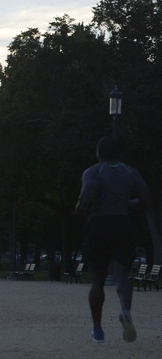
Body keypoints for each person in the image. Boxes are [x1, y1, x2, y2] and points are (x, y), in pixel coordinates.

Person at [74, 136, 155, 344]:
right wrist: (128, 202)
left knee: (97, 281)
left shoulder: (93, 171)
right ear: (118, 153)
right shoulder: (130, 172)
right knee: (121, 275)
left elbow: (88, 194)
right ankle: (126, 311)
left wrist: (80, 206)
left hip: (100, 225)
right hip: (123, 224)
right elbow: (146, 199)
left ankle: (98, 330)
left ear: (98, 153)